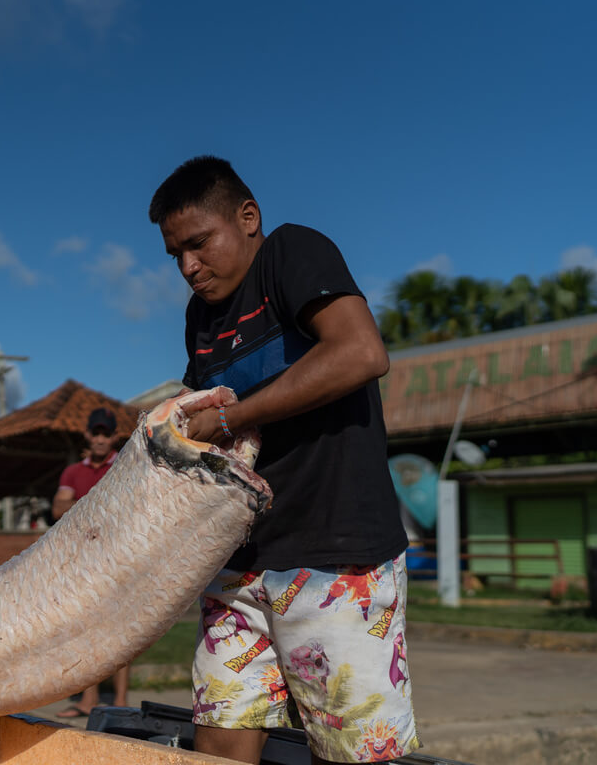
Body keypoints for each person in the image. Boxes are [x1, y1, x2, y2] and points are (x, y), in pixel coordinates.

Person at [148, 156, 418, 764]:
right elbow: (206, 420)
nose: (189, 267)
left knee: (350, 753)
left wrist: (230, 418)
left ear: (248, 218)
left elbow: (360, 353)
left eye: (198, 244)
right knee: (216, 740)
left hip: (333, 556)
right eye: (175, 256)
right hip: (238, 564)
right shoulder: (202, 317)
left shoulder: (291, 253)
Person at [51, 407, 131, 718]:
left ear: (114, 437)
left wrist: (80, 504)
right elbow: (58, 509)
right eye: (95, 433)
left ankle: (121, 702)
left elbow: (127, 504)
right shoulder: (73, 471)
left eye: (106, 433)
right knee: (85, 628)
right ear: (88, 435)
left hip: (119, 556)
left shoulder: (124, 465)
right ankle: (88, 700)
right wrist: (101, 502)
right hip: (81, 561)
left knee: (123, 630)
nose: (100, 439)